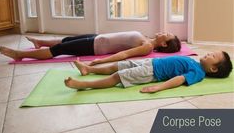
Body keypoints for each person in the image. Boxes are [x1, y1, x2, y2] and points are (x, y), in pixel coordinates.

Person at [65, 48, 233, 94]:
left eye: (213, 55)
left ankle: (83, 84)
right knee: (118, 65)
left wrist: (158, 87)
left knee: (118, 76)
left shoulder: (198, 73)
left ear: (213, 68)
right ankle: (88, 69)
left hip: (152, 73)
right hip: (151, 62)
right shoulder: (194, 61)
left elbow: (180, 79)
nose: (209, 53)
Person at [0, 28, 182, 64]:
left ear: (164, 43)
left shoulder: (146, 47)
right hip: (97, 38)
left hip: (94, 47)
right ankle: (40, 42)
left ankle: (20, 54)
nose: (163, 31)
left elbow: (124, 55)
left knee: (59, 50)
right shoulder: (147, 38)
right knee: (67, 40)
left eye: (166, 34)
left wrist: (96, 63)